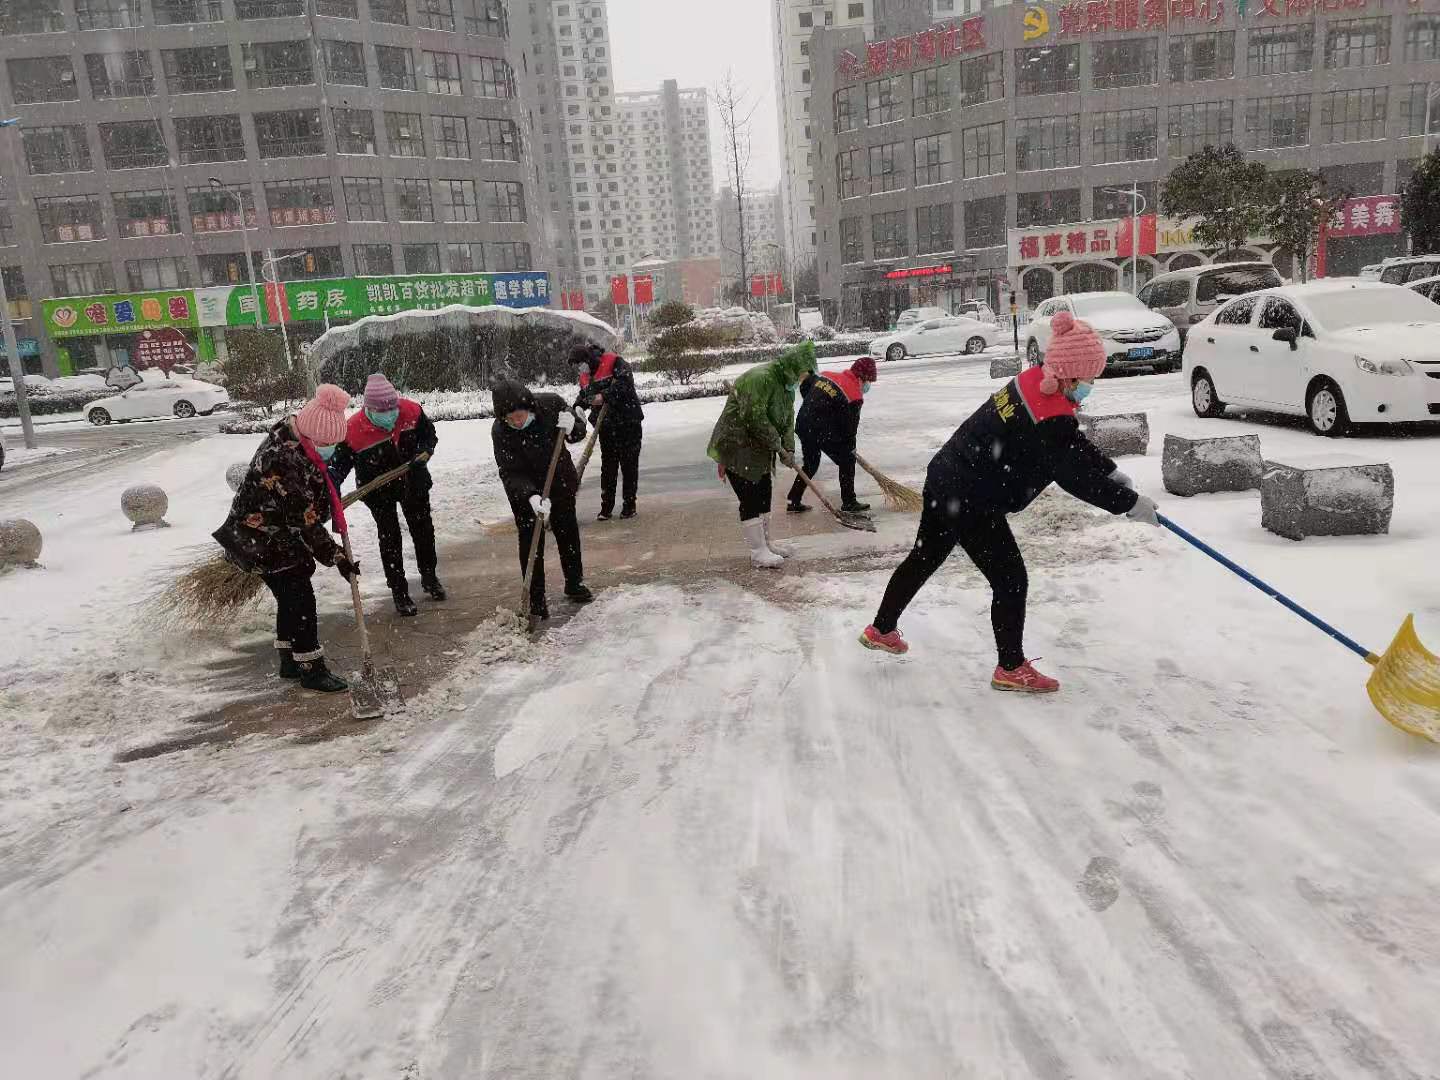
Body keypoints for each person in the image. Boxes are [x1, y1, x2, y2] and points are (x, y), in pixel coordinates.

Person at [859, 311, 1161, 693]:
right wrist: (1128, 503)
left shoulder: (1033, 381)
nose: (1090, 385)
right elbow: (1072, 475)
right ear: (1069, 373)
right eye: (1088, 378)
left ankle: (882, 628)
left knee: (925, 556)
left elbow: (1070, 445)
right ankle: (1011, 667)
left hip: (946, 476)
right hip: (972, 497)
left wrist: (1111, 471)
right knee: (1011, 581)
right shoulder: (1050, 412)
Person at [213, 384, 359, 693]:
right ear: (309, 434)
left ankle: (289, 660)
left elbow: (311, 493)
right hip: (261, 539)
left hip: (276, 535)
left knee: (291, 597)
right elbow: (303, 519)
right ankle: (311, 669)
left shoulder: (298, 436)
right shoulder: (281, 460)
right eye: (325, 443)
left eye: (333, 443)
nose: (329, 449)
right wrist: (336, 557)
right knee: (300, 598)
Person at [330, 373, 442, 617]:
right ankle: (399, 592)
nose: (390, 414)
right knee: (390, 538)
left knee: (423, 530)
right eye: (383, 411)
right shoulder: (353, 429)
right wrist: (333, 488)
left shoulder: (410, 411)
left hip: (413, 480)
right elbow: (338, 467)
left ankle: (430, 577)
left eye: (392, 408)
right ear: (369, 408)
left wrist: (424, 453)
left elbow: (428, 435)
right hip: (377, 489)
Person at [705, 340, 817, 568]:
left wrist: (789, 448)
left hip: (760, 446)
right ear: (792, 368)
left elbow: (787, 421)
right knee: (750, 497)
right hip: (737, 445)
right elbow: (755, 418)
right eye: (801, 375)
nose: (801, 381)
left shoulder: (786, 387)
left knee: (764, 491)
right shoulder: (761, 379)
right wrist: (777, 446)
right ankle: (758, 552)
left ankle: (767, 544)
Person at [491, 379, 593, 620]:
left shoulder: (550, 405)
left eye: (520, 415)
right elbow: (510, 471)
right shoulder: (500, 431)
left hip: (559, 480)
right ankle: (536, 600)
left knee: (567, 531)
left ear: (528, 407)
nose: (517, 421)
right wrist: (530, 496)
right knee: (530, 541)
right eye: (510, 418)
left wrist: (573, 427)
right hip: (526, 493)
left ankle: (574, 583)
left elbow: (578, 432)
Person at [786, 355, 878, 516]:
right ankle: (849, 502)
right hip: (820, 429)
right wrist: (850, 449)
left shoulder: (827, 375)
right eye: (868, 381)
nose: (868, 385)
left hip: (803, 424)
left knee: (811, 463)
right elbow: (849, 429)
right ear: (862, 378)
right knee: (847, 460)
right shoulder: (854, 395)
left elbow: (806, 385)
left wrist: (815, 406)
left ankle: (794, 499)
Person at [572, 342, 645, 521]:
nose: (580, 368)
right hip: (606, 426)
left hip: (628, 421)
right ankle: (606, 507)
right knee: (608, 467)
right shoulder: (584, 376)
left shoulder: (614, 362)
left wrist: (604, 396)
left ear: (588, 359)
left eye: (580, 364)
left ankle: (629, 505)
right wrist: (576, 409)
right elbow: (584, 396)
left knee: (628, 465)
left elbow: (625, 384)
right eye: (576, 366)